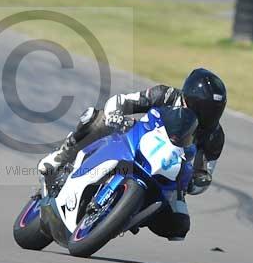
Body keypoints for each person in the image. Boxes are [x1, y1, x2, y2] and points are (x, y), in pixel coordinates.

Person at [37, 68, 227, 240]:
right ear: (189, 98)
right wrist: (116, 115)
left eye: (214, 110)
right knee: (97, 120)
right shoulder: (165, 95)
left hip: (168, 170)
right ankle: (60, 157)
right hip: (134, 139)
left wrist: (196, 182)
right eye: (203, 107)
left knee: (179, 226)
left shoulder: (215, 137)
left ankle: (124, 216)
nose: (207, 115)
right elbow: (122, 102)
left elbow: (205, 172)